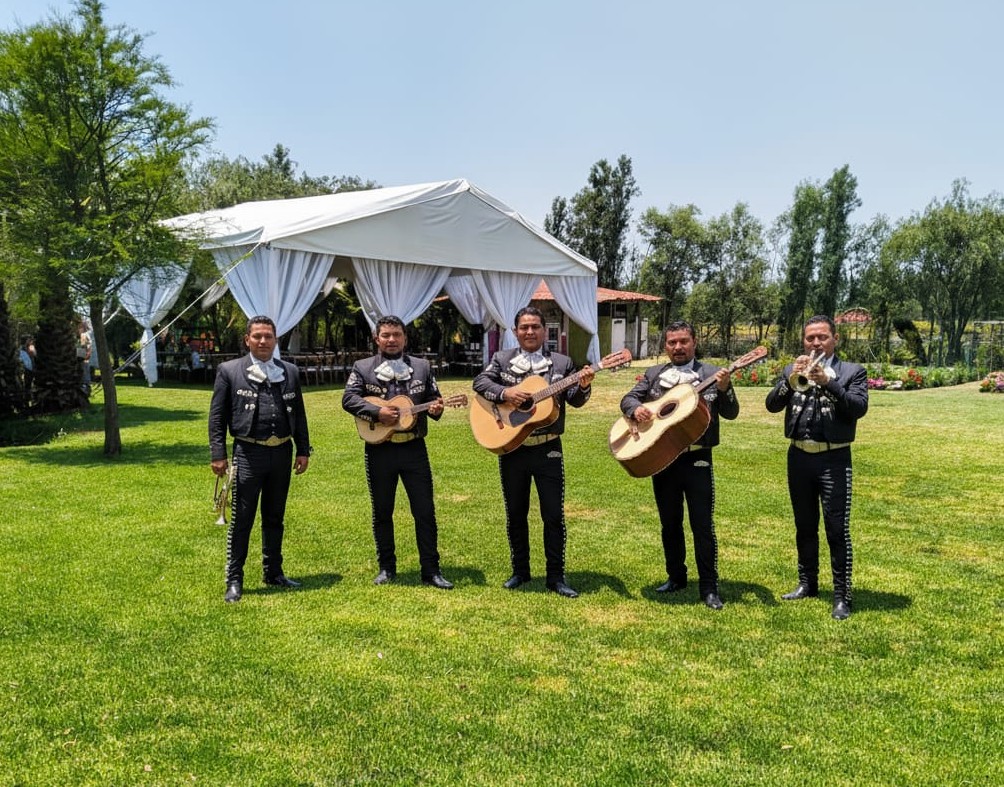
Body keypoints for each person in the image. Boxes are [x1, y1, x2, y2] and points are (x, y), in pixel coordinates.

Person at [472, 306, 595, 598]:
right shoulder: (502, 359)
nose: (529, 332)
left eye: (535, 327)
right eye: (524, 327)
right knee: (516, 513)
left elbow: (575, 400)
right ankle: (520, 571)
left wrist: (584, 387)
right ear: (516, 332)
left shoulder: (562, 363)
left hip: (548, 448)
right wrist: (506, 394)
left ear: (544, 330)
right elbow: (480, 383)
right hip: (513, 447)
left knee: (553, 515)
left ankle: (556, 576)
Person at [618, 321, 739, 610]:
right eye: (672, 342)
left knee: (702, 525)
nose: (678, 347)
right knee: (669, 523)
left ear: (694, 343)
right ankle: (676, 577)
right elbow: (628, 398)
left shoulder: (711, 374)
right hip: (663, 458)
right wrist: (636, 409)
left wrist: (725, 388)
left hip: (697, 458)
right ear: (666, 346)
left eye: (683, 341)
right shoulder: (654, 374)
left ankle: (709, 588)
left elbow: (732, 412)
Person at [765, 315, 868, 621]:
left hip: (833, 458)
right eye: (810, 338)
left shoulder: (853, 372)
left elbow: (858, 407)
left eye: (822, 337)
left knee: (837, 529)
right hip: (798, 457)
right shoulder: (792, 369)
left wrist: (829, 382)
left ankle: (841, 595)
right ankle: (807, 583)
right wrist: (788, 379)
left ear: (835, 339)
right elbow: (772, 405)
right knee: (805, 525)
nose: (815, 343)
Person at [341, 315, 453, 590]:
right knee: (382, 511)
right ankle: (386, 568)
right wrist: (377, 412)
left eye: (397, 335)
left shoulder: (423, 367)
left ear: (405, 338)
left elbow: (432, 400)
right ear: (377, 339)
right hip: (380, 449)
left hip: (414, 448)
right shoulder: (363, 368)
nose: (392, 340)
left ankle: (431, 570)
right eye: (386, 335)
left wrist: (437, 409)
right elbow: (349, 398)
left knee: (424, 510)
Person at [209, 315, 311, 603]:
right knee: (242, 519)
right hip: (248, 453)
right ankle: (234, 579)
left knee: (275, 517)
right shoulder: (229, 371)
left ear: (275, 339)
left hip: (282, 452)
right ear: (247, 340)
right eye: (257, 336)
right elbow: (217, 417)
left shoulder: (289, 371)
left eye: (268, 336)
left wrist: (303, 448)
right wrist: (218, 454)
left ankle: (274, 572)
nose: (263, 341)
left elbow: (299, 413)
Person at [19, 337, 35, 402]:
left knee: (30, 384)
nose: (30, 341)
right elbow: (21, 359)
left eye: (31, 340)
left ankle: (31, 398)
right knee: (27, 385)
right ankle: (27, 399)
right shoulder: (22, 349)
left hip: (32, 369)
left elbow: (35, 355)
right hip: (27, 370)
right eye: (29, 340)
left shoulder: (31, 347)